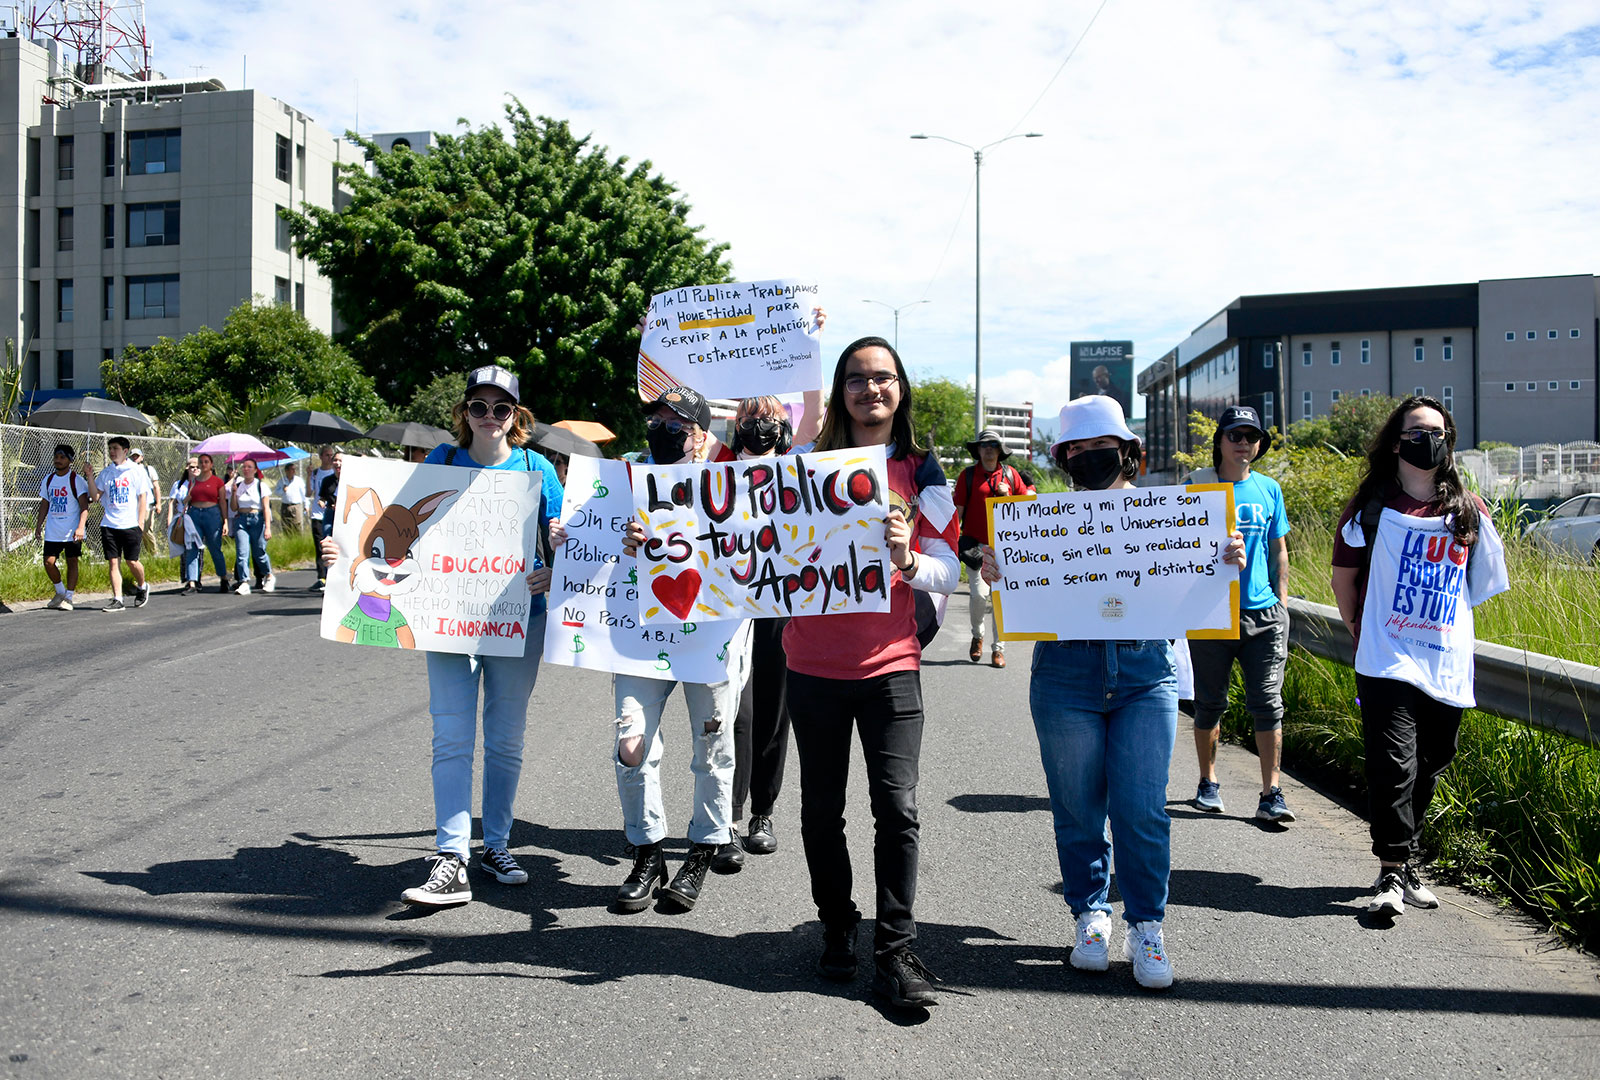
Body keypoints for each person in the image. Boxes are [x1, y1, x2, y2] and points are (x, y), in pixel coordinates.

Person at [982, 395, 1246, 991]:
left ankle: (1147, 924)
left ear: (1128, 453)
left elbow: (1205, 585)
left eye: (1100, 447)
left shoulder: (1178, 519)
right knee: (1077, 809)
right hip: (1065, 675)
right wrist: (998, 571)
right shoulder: (1040, 526)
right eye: (1075, 449)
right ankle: (1091, 915)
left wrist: (1228, 557)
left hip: (1145, 672)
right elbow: (1019, 588)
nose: (1087, 457)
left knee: (1142, 809)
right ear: (1063, 460)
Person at [322, 365, 560, 907]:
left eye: (502, 409)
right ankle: (451, 856)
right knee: (450, 737)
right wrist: (344, 551)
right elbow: (395, 528)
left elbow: (566, 541)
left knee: (505, 741)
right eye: (480, 407)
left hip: (519, 620)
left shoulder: (537, 469)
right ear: (464, 414)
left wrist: (556, 565)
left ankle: (496, 845)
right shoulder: (442, 462)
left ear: (516, 417)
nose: (490, 418)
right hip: (449, 618)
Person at [781, 337, 960, 1009]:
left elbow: (950, 564)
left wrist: (910, 562)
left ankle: (894, 950)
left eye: (882, 378)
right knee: (821, 812)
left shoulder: (924, 472)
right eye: (855, 379)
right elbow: (735, 523)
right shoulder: (804, 464)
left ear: (902, 388)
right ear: (839, 391)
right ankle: (836, 927)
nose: (870, 389)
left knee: (898, 808)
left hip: (892, 666)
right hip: (812, 666)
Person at [1330, 395, 1508, 917]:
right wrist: (1361, 630)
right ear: (1395, 442)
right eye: (1417, 431)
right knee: (1393, 764)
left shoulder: (1466, 509)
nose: (1428, 440)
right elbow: (1344, 576)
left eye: (1438, 432)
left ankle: (1405, 863)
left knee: (1432, 762)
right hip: (1387, 657)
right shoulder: (1373, 505)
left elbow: (1478, 584)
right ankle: (1390, 871)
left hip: (1444, 661)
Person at [609, 384, 749, 913]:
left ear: (700, 435)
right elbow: (585, 536)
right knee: (631, 743)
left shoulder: (731, 486)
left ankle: (701, 850)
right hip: (640, 637)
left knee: (712, 747)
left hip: (709, 639)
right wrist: (573, 538)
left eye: (675, 424)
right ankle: (647, 852)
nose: (661, 431)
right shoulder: (622, 478)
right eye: (655, 421)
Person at [1188, 405, 1295, 823]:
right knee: (1210, 703)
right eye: (1235, 435)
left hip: (1263, 614)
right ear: (1220, 441)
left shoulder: (1269, 489)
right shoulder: (1197, 487)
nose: (1244, 443)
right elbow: (1177, 551)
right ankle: (1207, 781)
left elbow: (1278, 549)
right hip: (1211, 614)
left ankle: (1272, 793)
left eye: (1251, 436)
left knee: (1268, 703)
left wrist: (1281, 604)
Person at [952, 428, 1035, 668]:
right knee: (979, 595)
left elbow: (1028, 507)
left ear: (1000, 450)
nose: (988, 448)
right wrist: (951, 541)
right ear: (978, 450)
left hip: (1005, 547)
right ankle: (977, 636)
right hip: (976, 547)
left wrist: (1008, 496)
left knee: (1000, 599)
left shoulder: (1010, 475)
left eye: (993, 445)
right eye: (984, 444)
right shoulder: (967, 476)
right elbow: (957, 513)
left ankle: (998, 649)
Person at [92, 436, 153, 612]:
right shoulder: (106, 472)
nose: (112, 451)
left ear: (125, 451)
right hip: (109, 523)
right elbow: (96, 496)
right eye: (110, 448)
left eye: (115, 448)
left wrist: (140, 522)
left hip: (130, 523)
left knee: (132, 561)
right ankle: (117, 599)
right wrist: (89, 476)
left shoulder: (136, 471)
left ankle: (142, 586)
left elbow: (143, 497)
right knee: (113, 562)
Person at [35, 444, 90, 610]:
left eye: (62, 457)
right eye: (56, 457)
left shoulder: (76, 480)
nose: (58, 460)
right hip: (53, 529)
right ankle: (60, 592)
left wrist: (80, 527)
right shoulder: (48, 479)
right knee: (48, 562)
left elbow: (84, 507)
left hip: (71, 530)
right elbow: (45, 504)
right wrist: (39, 525)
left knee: (72, 561)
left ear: (70, 460)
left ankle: (69, 597)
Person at [183, 453, 230, 593]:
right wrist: (186, 498)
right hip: (195, 514)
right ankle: (192, 582)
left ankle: (223, 578)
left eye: (206, 462)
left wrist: (225, 521)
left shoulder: (218, 482)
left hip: (212, 514)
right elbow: (188, 499)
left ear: (211, 464)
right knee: (192, 548)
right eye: (201, 462)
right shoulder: (194, 481)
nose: (203, 465)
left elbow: (222, 501)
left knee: (215, 548)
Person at [228, 458, 276, 594]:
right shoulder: (238, 485)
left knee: (259, 552)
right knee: (242, 553)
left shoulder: (261, 486)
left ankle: (269, 575)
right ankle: (244, 582)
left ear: (255, 470)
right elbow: (234, 507)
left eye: (249, 467)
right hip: (241, 520)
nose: (246, 469)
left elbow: (266, 508)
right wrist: (233, 493)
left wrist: (267, 527)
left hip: (257, 519)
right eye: (244, 467)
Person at [309, 445, 336, 592]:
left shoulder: (336, 474)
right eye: (327, 455)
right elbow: (309, 492)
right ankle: (322, 577)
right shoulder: (316, 473)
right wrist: (308, 476)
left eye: (332, 455)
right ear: (321, 456)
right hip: (317, 514)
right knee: (320, 547)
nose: (330, 458)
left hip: (332, 515)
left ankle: (333, 577)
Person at [129, 448, 162, 547]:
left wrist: (158, 503)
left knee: (146, 529)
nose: (135, 458)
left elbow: (156, 487)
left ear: (142, 457)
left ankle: (153, 552)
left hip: (147, 504)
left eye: (137, 456)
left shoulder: (148, 469)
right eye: (133, 456)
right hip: (134, 504)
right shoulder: (129, 470)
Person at [277, 462, 306, 534]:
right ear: (286, 471)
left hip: (296, 506)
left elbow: (304, 494)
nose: (294, 471)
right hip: (285, 506)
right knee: (286, 526)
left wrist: (306, 505)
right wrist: (282, 490)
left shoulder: (299, 480)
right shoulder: (282, 481)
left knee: (297, 526)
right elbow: (277, 492)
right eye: (291, 469)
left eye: (294, 469)